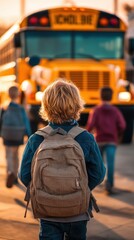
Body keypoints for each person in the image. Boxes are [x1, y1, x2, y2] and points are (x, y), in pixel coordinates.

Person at [19, 79, 105, 240]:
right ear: (77, 104)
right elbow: (98, 174)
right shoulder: (85, 138)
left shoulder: (36, 139)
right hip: (77, 212)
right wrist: (80, 189)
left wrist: (44, 189)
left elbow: (24, 175)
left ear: (46, 105)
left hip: (47, 211)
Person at [86, 86, 126, 195]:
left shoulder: (95, 110)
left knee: (98, 164)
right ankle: (110, 186)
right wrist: (118, 136)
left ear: (100, 96)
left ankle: (96, 183)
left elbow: (90, 126)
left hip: (99, 140)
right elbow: (122, 125)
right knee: (111, 163)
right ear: (112, 96)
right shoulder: (115, 111)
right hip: (111, 140)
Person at [1, 85, 32, 188]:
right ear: (18, 95)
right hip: (17, 134)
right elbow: (26, 122)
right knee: (16, 155)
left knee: (8, 155)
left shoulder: (4, 107)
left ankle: (10, 172)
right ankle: (15, 176)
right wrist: (28, 134)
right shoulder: (21, 108)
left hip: (7, 134)